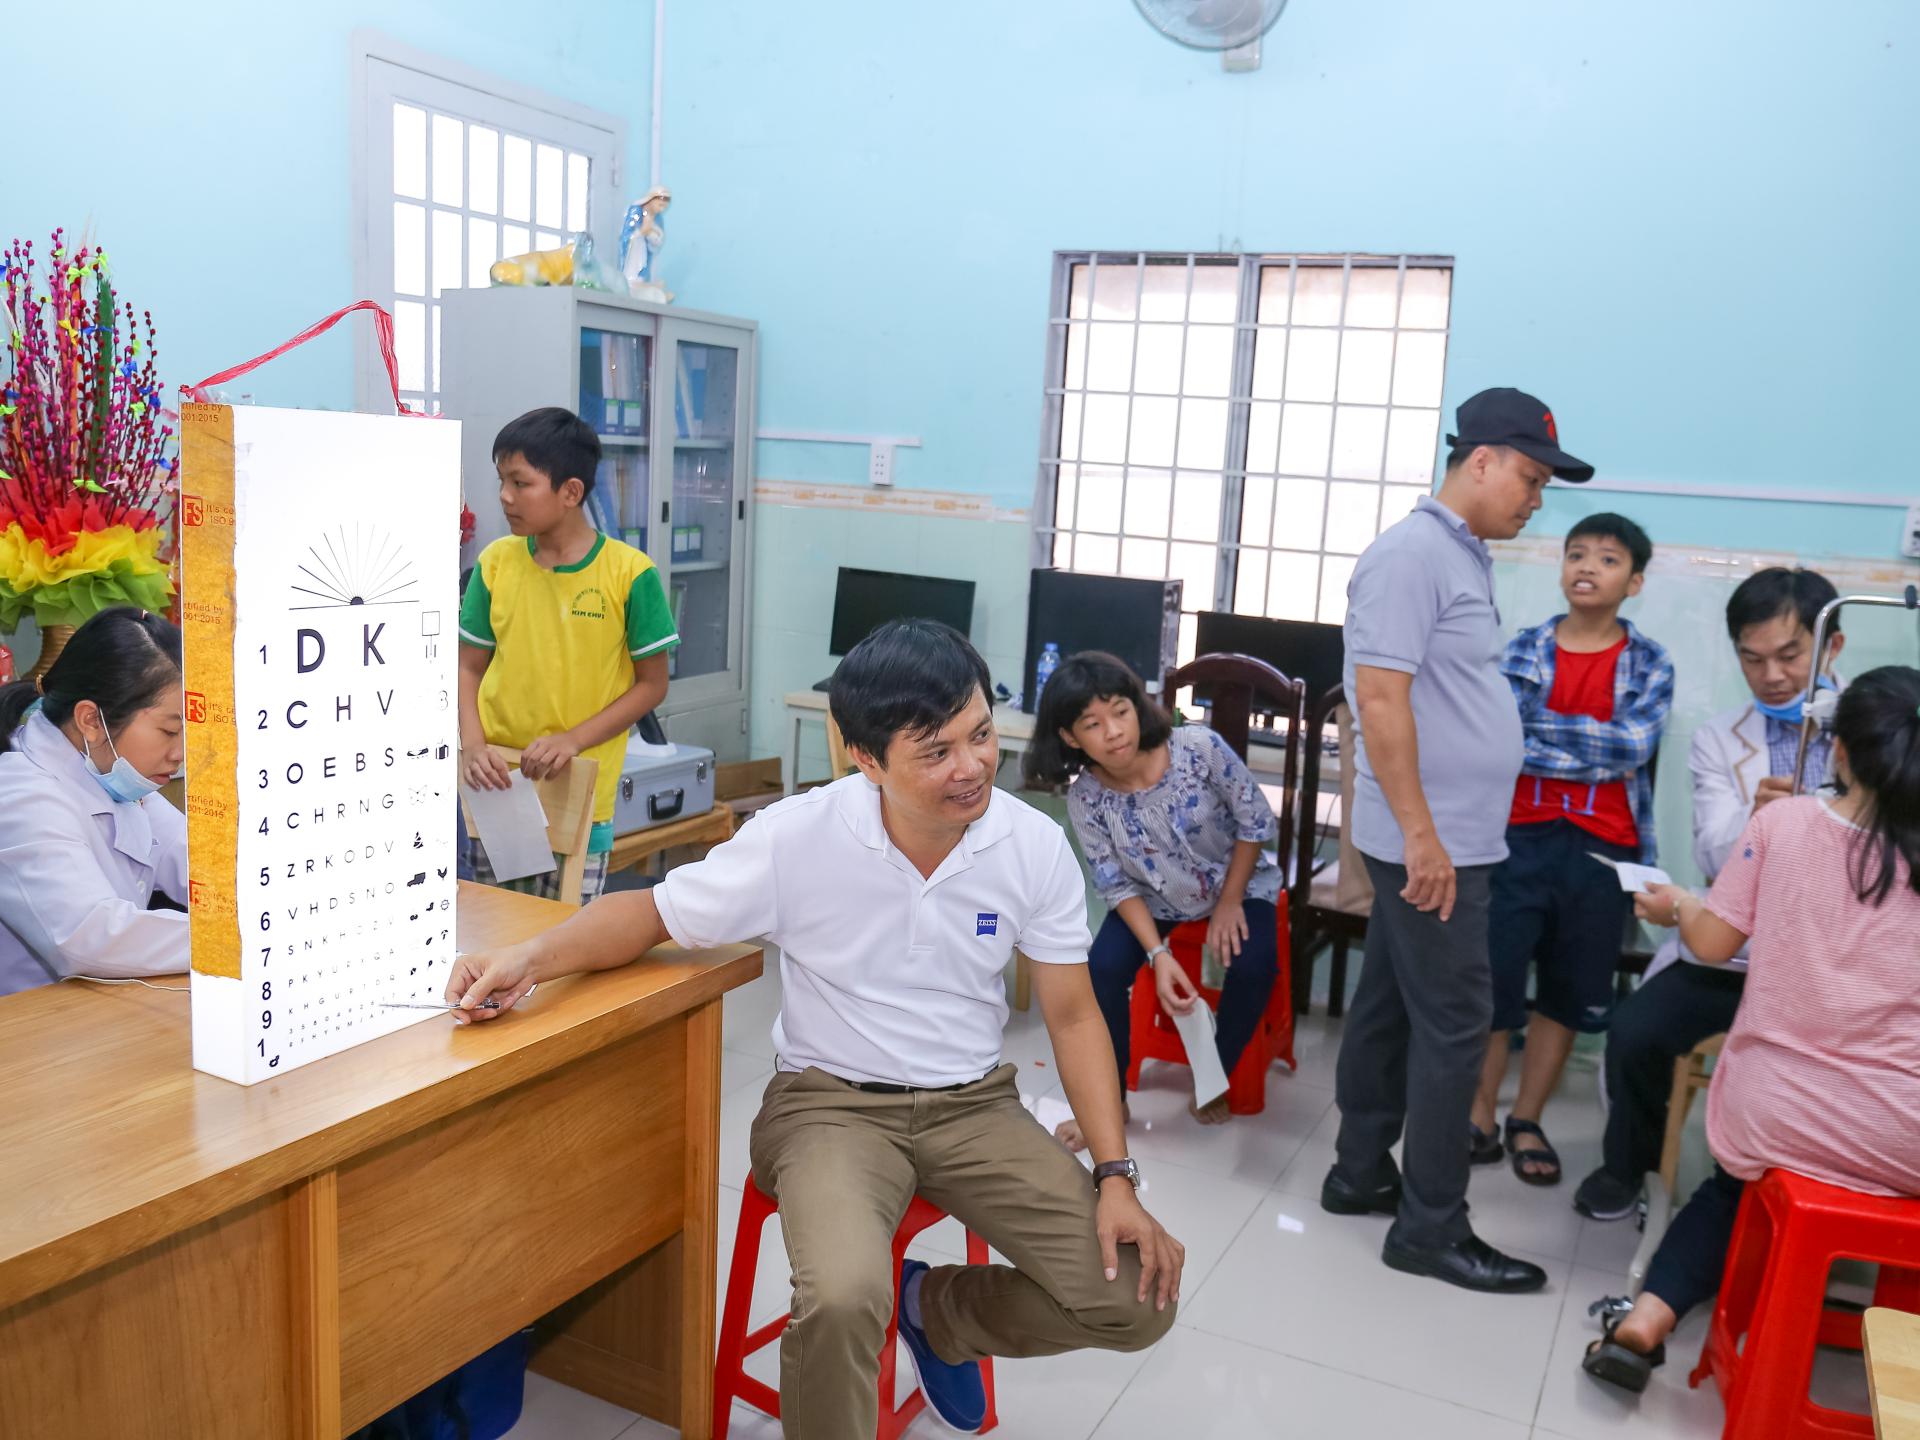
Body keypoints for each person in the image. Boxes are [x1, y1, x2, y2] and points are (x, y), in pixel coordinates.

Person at [444, 620, 1182, 1435]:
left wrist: (1116, 1174)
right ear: (866, 759)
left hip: (975, 1106)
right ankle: (889, 1311)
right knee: (839, 1299)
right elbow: (649, 913)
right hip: (829, 1105)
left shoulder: (1032, 844)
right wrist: (529, 957)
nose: (972, 768)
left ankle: (938, 1313)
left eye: (979, 736)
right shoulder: (801, 836)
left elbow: (1074, 1016)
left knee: (1134, 1299)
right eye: (935, 752)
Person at [1581, 665, 1920, 1393]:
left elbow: (1711, 945)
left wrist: (1676, 906)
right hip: (1907, 1137)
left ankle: (1645, 1320)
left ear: (1838, 753)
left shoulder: (1786, 826)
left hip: (1778, 1116)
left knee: (1729, 1192)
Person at [1322, 386, 1592, 1294]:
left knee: (1392, 1006)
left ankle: (1360, 1170)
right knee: (1455, 1027)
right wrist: (1424, 836)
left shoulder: (1458, 553)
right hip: (1432, 843)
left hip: (1442, 834)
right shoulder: (1409, 558)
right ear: (1481, 460)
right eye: (1529, 476)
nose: (1535, 497)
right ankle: (1431, 1227)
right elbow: (1382, 701)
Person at [1572, 566, 1844, 1221]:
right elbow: (1712, 855)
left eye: (1789, 655)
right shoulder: (1721, 739)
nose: (1772, 675)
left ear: (1831, 646)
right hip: (1737, 954)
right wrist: (1758, 817)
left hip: (1833, 963)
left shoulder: (1875, 729)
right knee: (1635, 1033)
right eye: (1753, 659)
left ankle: (1791, 1198)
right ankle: (1626, 1166)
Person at [1470, 514, 1674, 1185]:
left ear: (1634, 580)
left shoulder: (1650, 662)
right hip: (1517, 840)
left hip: (1602, 850)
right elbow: (1511, 738)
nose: (1587, 567)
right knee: (1496, 985)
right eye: (1577, 554)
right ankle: (1479, 1119)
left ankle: (1526, 1119)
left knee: (1566, 992)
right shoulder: (1526, 647)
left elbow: (1632, 747)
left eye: (1608, 559)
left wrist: (1554, 741)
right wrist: (1589, 745)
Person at [1023, 651, 1282, 1140]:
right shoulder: (1087, 797)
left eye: (1120, 711)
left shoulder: (1197, 749)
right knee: (1100, 969)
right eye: (1092, 724)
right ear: (1069, 737)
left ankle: (1214, 1077)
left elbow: (1255, 822)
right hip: (1153, 899)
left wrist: (1230, 903)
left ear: (1137, 706)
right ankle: (1111, 1100)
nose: (1115, 731)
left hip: (1237, 883)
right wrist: (1158, 953)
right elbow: (1115, 883)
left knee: (1254, 965)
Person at [457, 407, 677, 905]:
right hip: (499, 779)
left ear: (571, 492)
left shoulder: (630, 574)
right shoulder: (495, 564)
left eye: (520, 482)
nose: (504, 497)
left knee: (564, 942)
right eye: (501, 481)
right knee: (499, 931)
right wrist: (472, 743)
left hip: (579, 784)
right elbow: (468, 666)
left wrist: (573, 740)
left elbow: (652, 685)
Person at [0, 607, 187, 997]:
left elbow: (204, 867)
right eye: (169, 730)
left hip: (100, 1012)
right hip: (31, 1034)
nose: (180, 752)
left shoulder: (116, 775)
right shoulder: (20, 794)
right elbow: (88, 936)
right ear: (90, 719)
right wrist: (243, 937)